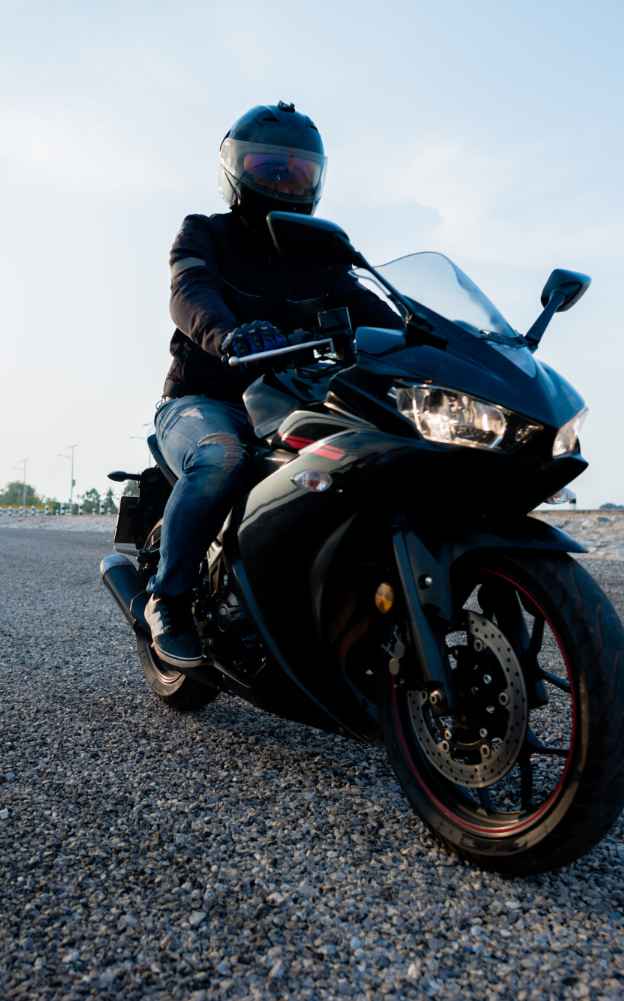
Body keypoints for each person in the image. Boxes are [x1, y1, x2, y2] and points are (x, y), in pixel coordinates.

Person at [145, 102, 402, 668]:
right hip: (203, 400)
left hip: (289, 400)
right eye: (268, 166)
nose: (285, 179)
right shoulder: (203, 234)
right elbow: (189, 294)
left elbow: (372, 309)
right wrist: (229, 335)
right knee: (220, 456)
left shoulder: (321, 254)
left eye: (298, 169)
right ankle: (169, 601)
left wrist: (433, 336)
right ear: (236, 170)